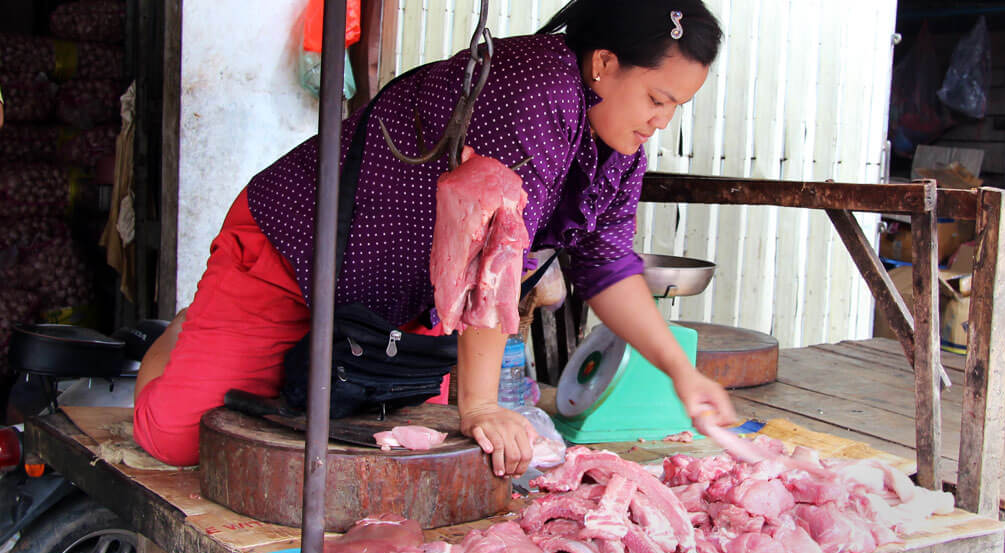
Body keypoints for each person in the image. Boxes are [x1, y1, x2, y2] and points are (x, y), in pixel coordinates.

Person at [134, 0, 737, 476]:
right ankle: (188, 327)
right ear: (604, 64)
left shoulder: (620, 147)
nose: (662, 121)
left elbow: (606, 266)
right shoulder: (538, 84)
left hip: (397, 310)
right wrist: (477, 405)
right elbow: (490, 240)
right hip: (293, 251)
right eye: (658, 98)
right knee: (180, 439)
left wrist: (680, 373)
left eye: (676, 107)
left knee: (410, 463)